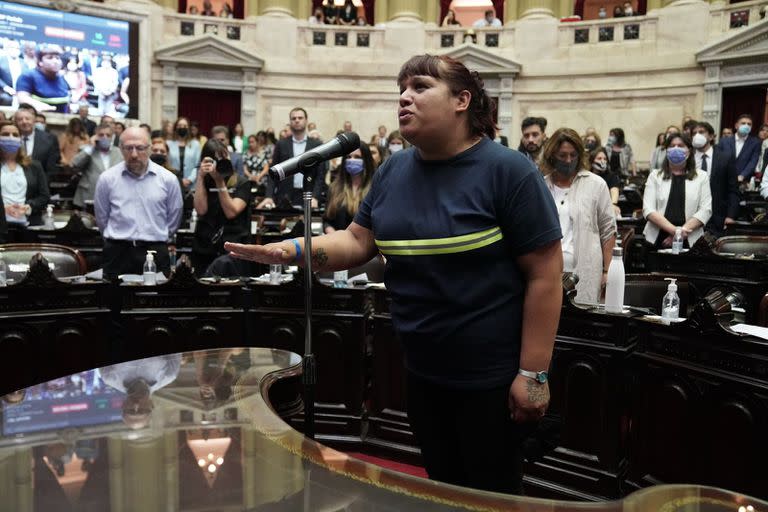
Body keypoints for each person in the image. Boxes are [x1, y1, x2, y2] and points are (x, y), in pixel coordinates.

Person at [225, 54, 563, 495]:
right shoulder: (394, 170)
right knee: (443, 489)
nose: (405, 96)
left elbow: (545, 275)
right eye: (401, 89)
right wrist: (289, 250)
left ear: (463, 100)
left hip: (490, 378)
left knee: (490, 495)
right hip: (422, 370)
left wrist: (533, 374)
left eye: (420, 87)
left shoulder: (509, 172)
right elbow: (357, 241)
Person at [94, 127, 183, 278]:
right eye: (129, 148)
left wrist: (156, 235)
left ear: (149, 149)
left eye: (140, 148)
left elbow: (174, 218)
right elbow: (102, 219)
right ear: (121, 149)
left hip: (155, 251)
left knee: (155, 300)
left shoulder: (168, 180)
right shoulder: (107, 179)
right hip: (117, 252)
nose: (134, 154)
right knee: (113, 300)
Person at [542, 129, 616, 304]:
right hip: (547, 270)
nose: (568, 160)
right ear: (552, 155)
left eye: (573, 155)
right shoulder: (541, 185)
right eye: (562, 155)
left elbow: (608, 230)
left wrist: (607, 271)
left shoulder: (596, 184)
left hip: (584, 269)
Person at [191, 138, 254, 275]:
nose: (220, 163)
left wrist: (220, 183)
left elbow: (231, 212)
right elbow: (201, 210)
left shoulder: (241, 183)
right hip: (205, 247)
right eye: (214, 159)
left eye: (224, 157)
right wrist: (201, 177)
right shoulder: (204, 183)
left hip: (232, 249)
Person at [642, 134, 712, 249]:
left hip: (690, 238)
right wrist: (675, 231)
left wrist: (681, 232)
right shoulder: (655, 176)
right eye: (672, 146)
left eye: (680, 145)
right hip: (657, 238)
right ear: (666, 150)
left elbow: (705, 209)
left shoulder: (702, 177)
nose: (675, 148)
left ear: (689, 151)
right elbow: (648, 209)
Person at [258, 107, 326, 209]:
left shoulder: (316, 144)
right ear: (290, 122)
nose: (297, 120)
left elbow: (320, 175)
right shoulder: (281, 144)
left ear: (306, 120)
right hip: (285, 195)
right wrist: (269, 196)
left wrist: (315, 197)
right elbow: (273, 172)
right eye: (293, 118)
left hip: (308, 195)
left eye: (300, 118)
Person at [100, 354, 181, 429]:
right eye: (142, 410)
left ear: (123, 405)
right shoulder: (169, 375)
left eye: (130, 411)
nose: (136, 405)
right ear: (152, 405)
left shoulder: (109, 377)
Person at [691, 121, 739, 237]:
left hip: (718, 217)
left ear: (711, 136)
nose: (697, 135)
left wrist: (731, 216)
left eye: (701, 132)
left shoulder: (725, 157)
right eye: (694, 133)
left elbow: (733, 189)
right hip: (691, 217)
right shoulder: (687, 158)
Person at [0, 120, 50, 226]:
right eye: (5, 134)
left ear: (20, 139)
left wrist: (29, 207)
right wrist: (3, 209)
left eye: (15, 135)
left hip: (27, 223)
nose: (11, 137)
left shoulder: (34, 166)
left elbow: (44, 196)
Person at [323, 144, 375, 234]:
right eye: (349, 157)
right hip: (338, 242)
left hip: (365, 243)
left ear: (366, 160)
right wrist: (334, 235)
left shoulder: (375, 188)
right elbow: (327, 220)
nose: (352, 160)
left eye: (357, 157)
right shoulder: (334, 188)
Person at [71, 122, 124, 209]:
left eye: (108, 135)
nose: (105, 137)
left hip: (113, 196)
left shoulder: (119, 152)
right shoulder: (87, 150)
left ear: (112, 137)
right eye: (101, 135)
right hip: (89, 196)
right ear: (96, 136)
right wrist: (91, 147)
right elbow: (74, 164)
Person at [15, 44, 70, 113]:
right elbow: (22, 98)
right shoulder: (28, 76)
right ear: (40, 62)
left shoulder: (62, 78)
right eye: (50, 58)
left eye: (57, 58)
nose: (55, 61)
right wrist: (43, 107)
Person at [13, 103, 60, 177]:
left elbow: (51, 168)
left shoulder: (50, 139)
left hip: (39, 184)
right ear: (15, 122)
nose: (24, 122)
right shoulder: (11, 138)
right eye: (20, 119)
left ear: (34, 120)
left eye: (27, 119)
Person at [718, 113, 761, 184]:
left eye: (749, 124)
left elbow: (753, 162)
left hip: (743, 182)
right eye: (743, 123)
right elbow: (718, 160)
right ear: (736, 126)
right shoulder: (724, 141)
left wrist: (742, 176)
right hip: (723, 180)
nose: (746, 126)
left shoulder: (755, 143)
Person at [166, 117, 202, 191]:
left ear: (188, 128)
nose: (182, 128)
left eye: (185, 126)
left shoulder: (196, 144)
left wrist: (189, 180)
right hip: (173, 183)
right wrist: (179, 180)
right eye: (179, 126)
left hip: (191, 185)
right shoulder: (168, 144)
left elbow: (198, 165)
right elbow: (167, 164)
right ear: (175, 128)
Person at [590, 147, 622, 216]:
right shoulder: (587, 176)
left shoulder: (611, 176)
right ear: (592, 161)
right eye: (599, 158)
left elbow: (614, 190)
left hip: (605, 208)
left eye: (605, 159)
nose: (602, 161)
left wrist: (613, 204)